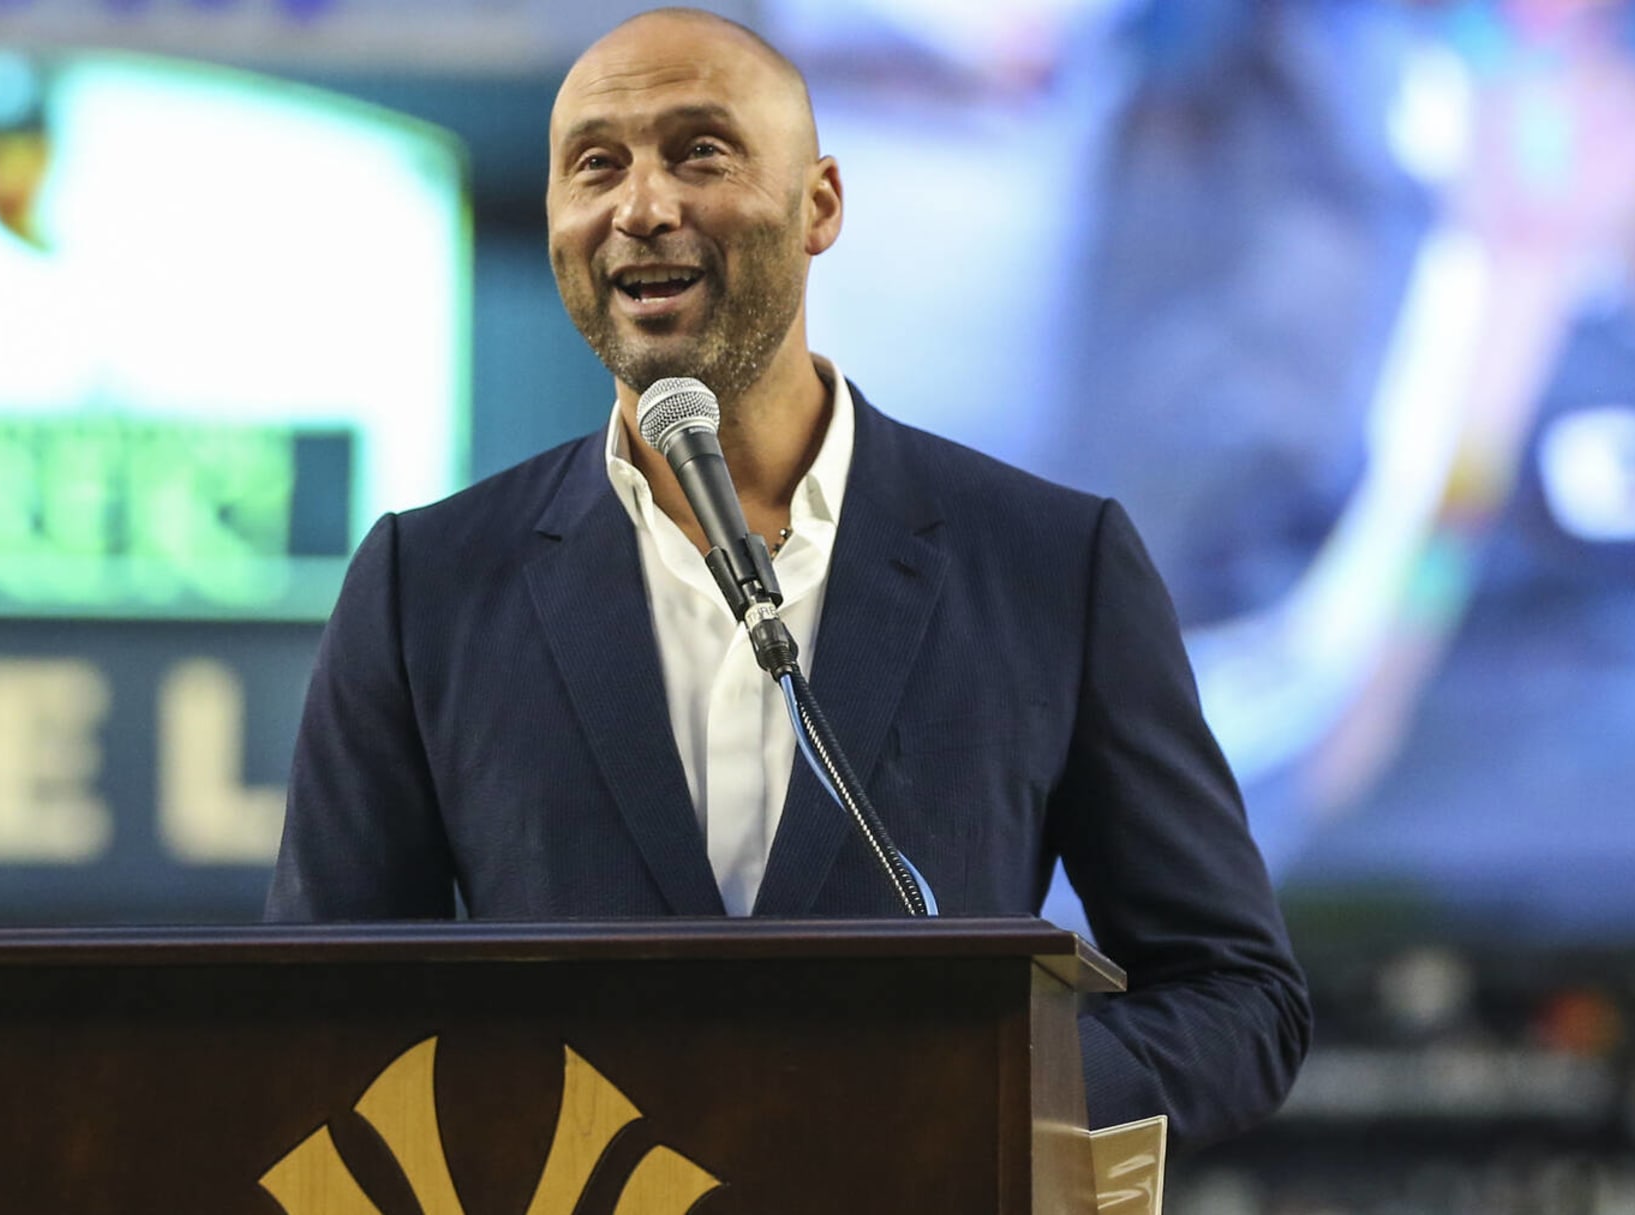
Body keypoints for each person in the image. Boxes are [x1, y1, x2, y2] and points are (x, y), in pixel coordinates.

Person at [267, 6, 1309, 1152]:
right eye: (595, 165)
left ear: (820, 204)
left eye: (700, 152)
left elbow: (1235, 999)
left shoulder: (1053, 567)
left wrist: (984, 1089)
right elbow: (324, 1021)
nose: (643, 204)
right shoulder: (428, 585)